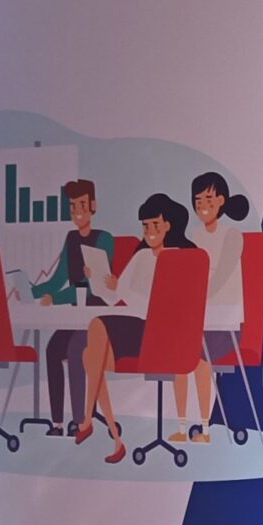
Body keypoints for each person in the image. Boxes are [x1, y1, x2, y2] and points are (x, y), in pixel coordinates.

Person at [76, 193, 190, 463]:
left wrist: (124, 290)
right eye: (145, 226)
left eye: (154, 225)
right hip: (137, 329)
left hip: (159, 333)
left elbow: (161, 308)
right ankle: (116, 438)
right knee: (90, 356)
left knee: (96, 331)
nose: (149, 232)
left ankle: (88, 419)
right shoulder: (141, 257)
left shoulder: (177, 258)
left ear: (168, 225)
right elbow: (113, 298)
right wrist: (97, 281)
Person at [32, 179, 113, 431]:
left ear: (93, 206)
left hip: (97, 317)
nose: (77, 211)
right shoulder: (71, 238)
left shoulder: (104, 239)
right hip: (75, 315)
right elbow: (58, 279)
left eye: (82, 205)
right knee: (52, 350)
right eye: (73, 206)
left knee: (76, 351)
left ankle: (79, 422)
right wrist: (31, 290)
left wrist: (55, 299)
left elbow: (92, 287)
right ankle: (57, 422)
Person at [181, 172, 252, 445]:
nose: (202, 205)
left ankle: (204, 428)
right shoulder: (193, 236)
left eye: (208, 198)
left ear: (221, 200)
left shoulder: (232, 236)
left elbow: (220, 277)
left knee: (199, 357)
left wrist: (195, 298)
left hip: (227, 325)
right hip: (200, 322)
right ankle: (183, 425)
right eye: (197, 200)